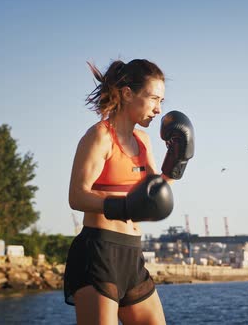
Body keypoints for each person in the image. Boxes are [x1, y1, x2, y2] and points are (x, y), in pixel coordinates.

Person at [64, 58, 194, 324]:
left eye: (162, 102)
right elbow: (76, 196)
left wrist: (177, 162)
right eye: (154, 99)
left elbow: (154, 196)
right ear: (127, 94)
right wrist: (122, 206)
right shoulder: (100, 136)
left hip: (132, 255)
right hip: (98, 253)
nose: (158, 109)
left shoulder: (143, 141)